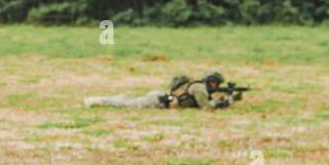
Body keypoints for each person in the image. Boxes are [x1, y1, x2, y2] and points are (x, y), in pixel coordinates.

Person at [84, 70, 236, 109]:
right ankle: (99, 100)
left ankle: (113, 98)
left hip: (159, 97)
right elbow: (206, 107)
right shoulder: (199, 88)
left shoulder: (198, 86)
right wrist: (227, 101)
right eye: (216, 84)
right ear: (211, 81)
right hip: (158, 102)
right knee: (126, 105)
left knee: (128, 102)